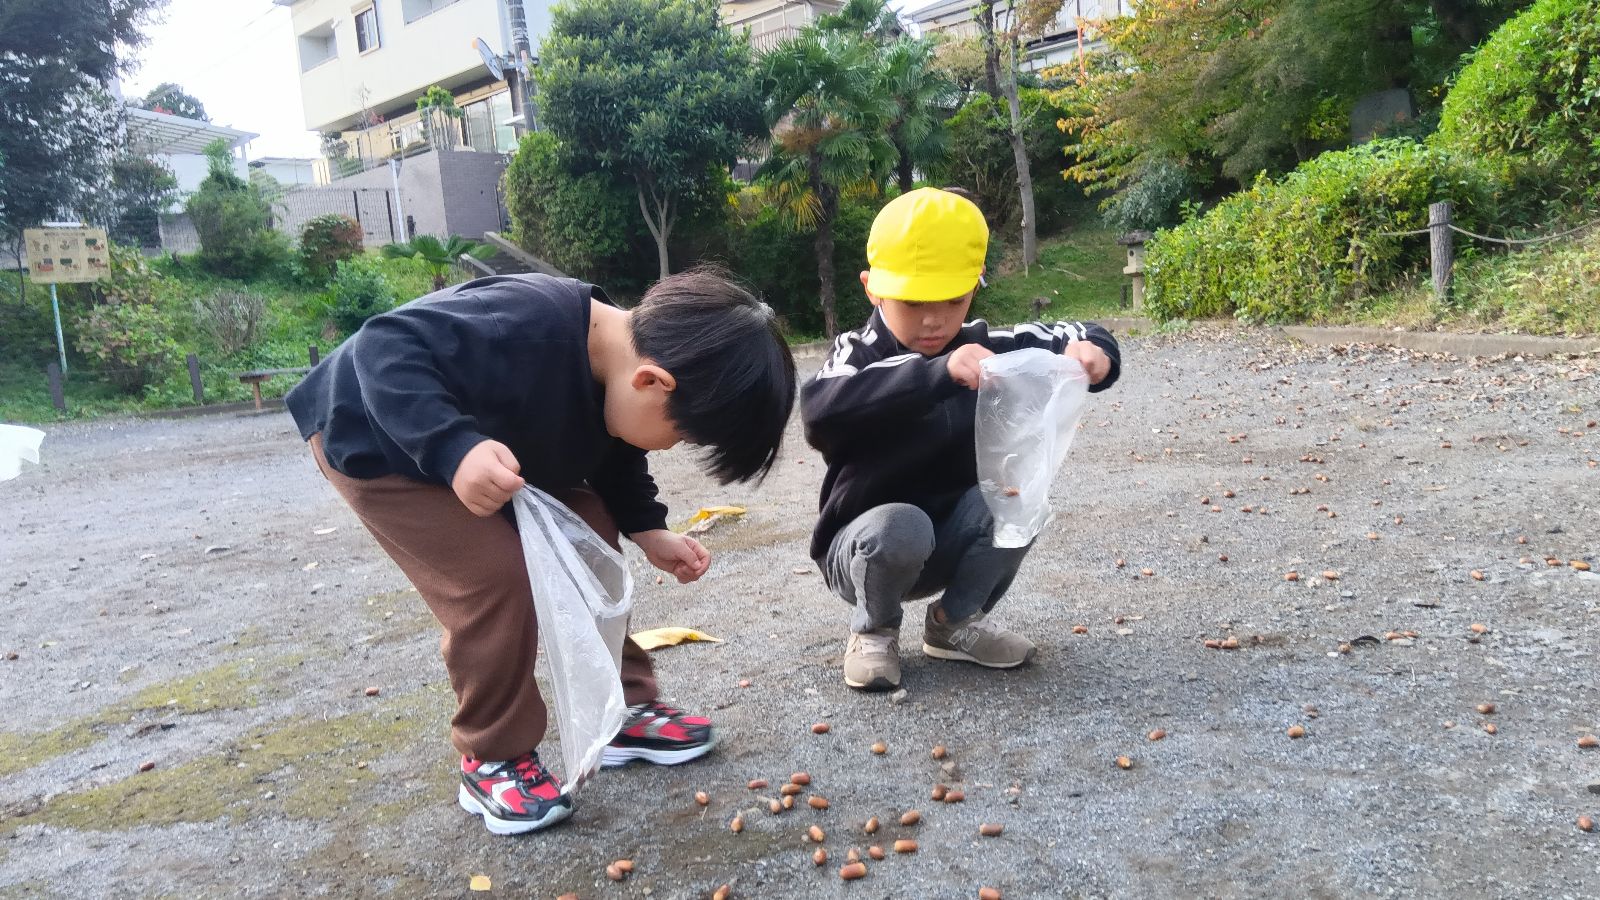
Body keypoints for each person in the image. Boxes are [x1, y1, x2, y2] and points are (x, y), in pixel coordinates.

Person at [286, 269, 796, 834]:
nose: (676, 446)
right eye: (683, 437)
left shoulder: (621, 379)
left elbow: (616, 453)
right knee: (495, 574)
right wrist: (454, 449)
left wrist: (649, 529)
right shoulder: (524, 323)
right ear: (652, 381)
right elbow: (385, 345)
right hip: (379, 444)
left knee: (592, 535)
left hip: (494, 450)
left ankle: (618, 709)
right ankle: (492, 755)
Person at [801, 188, 1122, 691]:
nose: (933, 319)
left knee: (1018, 499)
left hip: (950, 539)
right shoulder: (856, 352)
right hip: (864, 548)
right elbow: (820, 409)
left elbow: (1077, 332)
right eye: (913, 302)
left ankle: (955, 624)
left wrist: (1095, 352)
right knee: (901, 524)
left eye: (953, 299)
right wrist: (934, 373)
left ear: (975, 285)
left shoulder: (983, 342)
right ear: (872, 289)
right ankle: (874, 630)